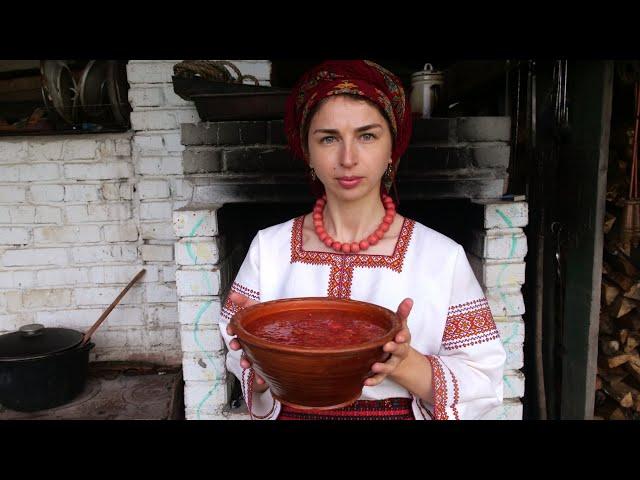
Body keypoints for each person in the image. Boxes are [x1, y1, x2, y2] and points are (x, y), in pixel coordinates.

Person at [220, 60, 506, 420]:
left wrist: (404, 364)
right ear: (307, 153)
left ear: (392, 151)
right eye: (328, 138)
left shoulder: (440, 256)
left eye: (367, 136)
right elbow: (240, 355)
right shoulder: (269, 248)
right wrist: (258, 366)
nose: (348, 158)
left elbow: (484, 379)